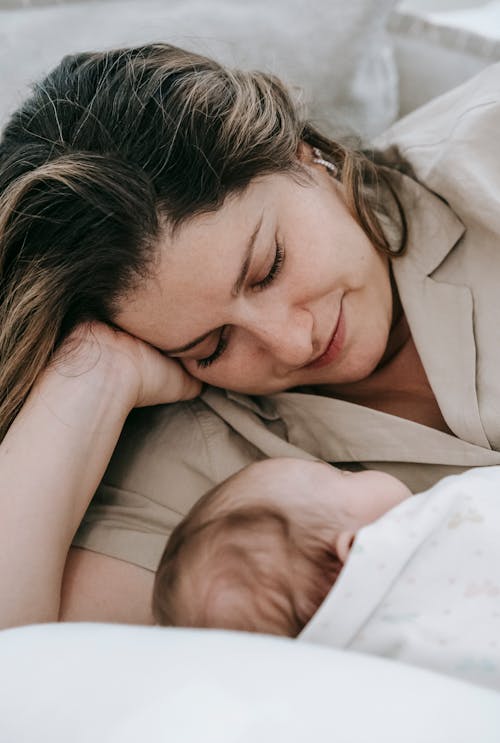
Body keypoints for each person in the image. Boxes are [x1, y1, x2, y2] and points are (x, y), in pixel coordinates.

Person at [1, 43, 500, 629]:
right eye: (211, 346)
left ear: (302, 155)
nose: (293, 343)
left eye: (270, 266)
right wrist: (87, 377)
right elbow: (24, 673)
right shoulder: (184, 474)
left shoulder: (483, 153)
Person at [153, 458, 500, 691]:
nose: (349, 471)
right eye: (342, 475)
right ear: (353, 548)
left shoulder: (359, 689)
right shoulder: (454, 515)